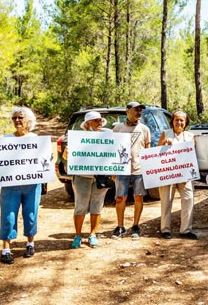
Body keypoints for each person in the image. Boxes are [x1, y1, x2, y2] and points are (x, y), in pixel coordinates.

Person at [0, 106, 42, 264]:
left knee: (31, 215)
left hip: (31, 185)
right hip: (10, 186)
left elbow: (43, 161)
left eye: (20, 117)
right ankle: (6, 249)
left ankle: (30, 244)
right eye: (14, 118)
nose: (17, 120)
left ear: (28, 120)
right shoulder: (5, 139)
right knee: (8, 215)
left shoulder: (35, 139)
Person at [66, 111, 112, 248]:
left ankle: (92, 234)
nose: (99, 123)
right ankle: (78, 235)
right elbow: (69, 156)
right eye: (96, 120)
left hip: (101, 177)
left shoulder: (107, 136)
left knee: (97, 206)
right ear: (88, 123)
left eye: (100, 121)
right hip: (82, 177)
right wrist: (66, 153)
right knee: (80, 206)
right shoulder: (77, 138)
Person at [111, 102, 151, 239]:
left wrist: (148, 169)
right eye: (136, 110)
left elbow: (148, 149)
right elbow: (112, 149)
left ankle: (135, 226)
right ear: (127, 111)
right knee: (120, 198)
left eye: (140, 110)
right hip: (121, 169)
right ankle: (120, 226)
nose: (139, 112)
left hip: (138, 169)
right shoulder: (117, 128)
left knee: (138, 197)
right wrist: (113, 170)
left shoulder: (145, 129)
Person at [157, 111, 197, 240]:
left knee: (188, 199)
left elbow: (191, 154)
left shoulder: (190, 136)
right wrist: (164, 144)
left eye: (182, 120)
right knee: (166, 201)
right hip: (168, 174)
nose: (179, 123)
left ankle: (185, 230)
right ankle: (165, 229)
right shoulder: (165, 134)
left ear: (186, 123)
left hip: (184, 175)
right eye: (176, 120)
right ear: (172, 121)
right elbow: (155, 153)